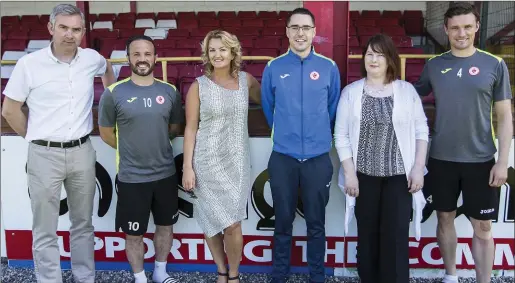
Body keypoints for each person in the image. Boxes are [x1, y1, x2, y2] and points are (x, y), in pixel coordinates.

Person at [1, 4, 115, 283]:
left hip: (82, 152)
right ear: (51, 28)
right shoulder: (30, 64)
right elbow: (9, 110)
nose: (69, 34)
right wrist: (35, 138)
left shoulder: (91, 58)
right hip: (43, 154)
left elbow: (108, 69)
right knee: (44, 227)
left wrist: (112, 100)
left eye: (76, 29)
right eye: (63, 28)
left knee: (83, 224)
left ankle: (84, 277)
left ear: (83, 32)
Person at [413, 3, 513, 283]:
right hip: (442, 158)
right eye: (455, 27)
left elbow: (504, 117)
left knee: (482, 226)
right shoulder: (434, 66)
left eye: (467, 26)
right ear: (445, 29)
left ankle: (484, 280)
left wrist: (503, 161)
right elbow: (407, 97)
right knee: (444, 220)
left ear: (477, 27)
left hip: (481, 160)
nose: (461, 33)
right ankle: (450, 277)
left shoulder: (494, 64)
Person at [334, 34, 429, 283]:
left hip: (399, 178)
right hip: (363, 179)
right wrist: (350, 174)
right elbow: (341, 135)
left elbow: (422, 131)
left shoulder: (406, 91)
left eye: (380, 54)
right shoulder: (351, 92)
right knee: (367, 237)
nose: (373, 59)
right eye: (369, 54)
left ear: (390, 60)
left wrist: (418, 168)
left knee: (396, 238)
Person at [260, 7, 341, 283]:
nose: (300, 33)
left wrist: (316, 137)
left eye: (306, 28)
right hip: (283, 157)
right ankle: (279, 274)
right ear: (287, 32)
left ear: (314, 32)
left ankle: (316, 275)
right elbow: (269, 109)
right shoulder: (274, 67)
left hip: (318, 158)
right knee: (282, 222)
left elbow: (331, 110)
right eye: (295, 27)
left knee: (316, 224)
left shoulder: (329, 68)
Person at [98, 35, 183, 283]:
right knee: (133, 234)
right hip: (132, 177)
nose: (142, 59)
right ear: (128, 58)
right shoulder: (113, 93)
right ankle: (139, 278)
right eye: (136, 54)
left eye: (147, 54)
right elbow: (105, 133)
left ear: (155, 57)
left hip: (165, 175)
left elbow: (175, 128)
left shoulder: (170, 91)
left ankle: (160, 273)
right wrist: (130, 147)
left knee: (165, 227)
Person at [181, 30, 261, 283]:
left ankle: (235, 274)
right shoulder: (198, 86)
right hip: (206, 162)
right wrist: (187, 167)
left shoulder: (247, 81)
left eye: (222, 49)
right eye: (212, 50)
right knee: (211, 220)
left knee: (233, 224)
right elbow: (191, 128)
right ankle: (221, 271)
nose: (217, 54)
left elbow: (270, 104)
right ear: (207, 54)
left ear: (233, 52)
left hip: (237, 164)